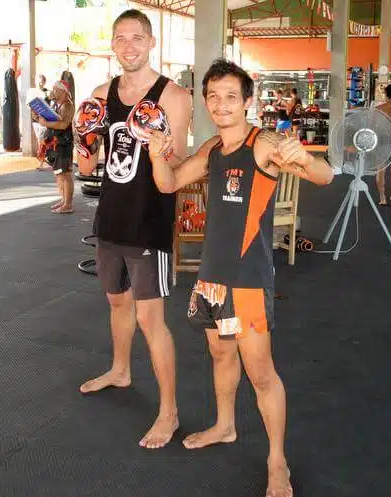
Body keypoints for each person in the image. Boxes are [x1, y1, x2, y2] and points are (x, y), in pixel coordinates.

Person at [148, 59, 333, 497]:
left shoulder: (264, 143)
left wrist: (305, 158)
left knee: (262, 373)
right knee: (221, 355)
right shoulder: (213, 148)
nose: (221, 104)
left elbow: (324, 177)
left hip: (247, 284)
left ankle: (277, 462)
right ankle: (225, 426)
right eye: (213, 96)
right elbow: (169, 184)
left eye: (231, 96)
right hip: (212, 281)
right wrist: (157, 155)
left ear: (248, 101)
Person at [75, 9, 191, 450]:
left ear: (151, 42)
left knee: (151, 319)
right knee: (116, 302)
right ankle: (120, 370)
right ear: (113, 43)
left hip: (150, 223)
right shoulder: (101, 94)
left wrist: (162, 146)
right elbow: (89, 163)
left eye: (137, 38)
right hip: (110, 218)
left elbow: (179, 166)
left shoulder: (174, 96)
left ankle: (169, 412)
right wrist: (82, 140)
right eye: (121, 38)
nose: (129, 46)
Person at [34, 80, 75, 213]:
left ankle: (68, 204)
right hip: (56, 143)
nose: (53, 92)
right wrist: (39, 117)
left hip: (63, 143)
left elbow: (63, 125)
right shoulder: (57, 104)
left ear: (63, 91)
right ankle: (63, 200)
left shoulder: (68, 105)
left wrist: (45, 123)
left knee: (65, 174)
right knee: (59, 174)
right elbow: (54, 121)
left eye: (56, 90)